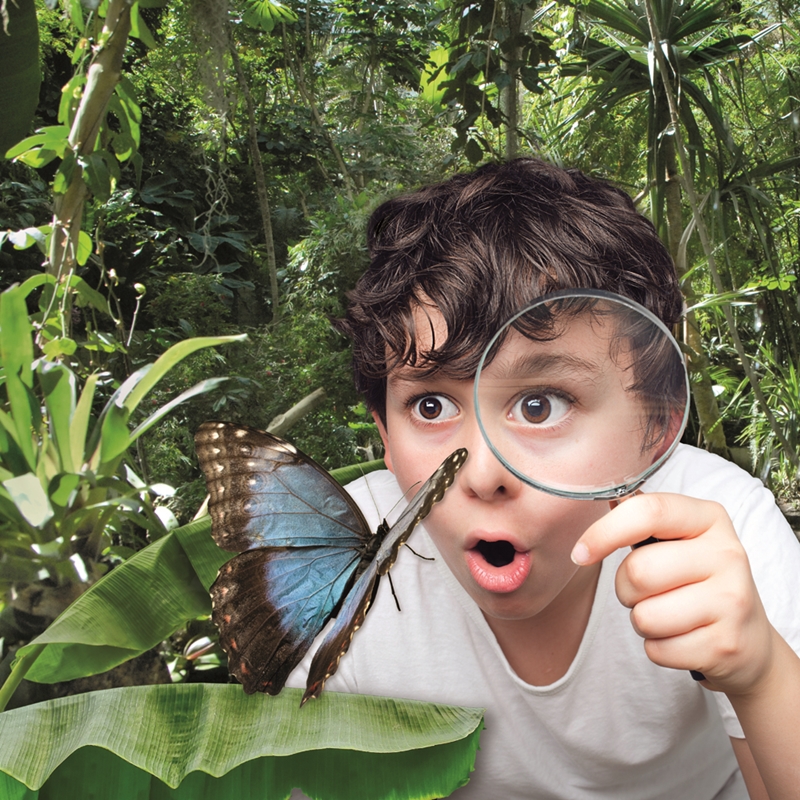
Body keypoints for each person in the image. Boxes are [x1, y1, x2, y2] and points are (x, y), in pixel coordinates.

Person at [287, 158, 800, 798]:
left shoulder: (724, 527)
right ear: (385, 439)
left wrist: (762, 674)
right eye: (431, 406)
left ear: (657, 429)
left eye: (540, 405)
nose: (481, 473)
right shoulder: (339, 563)